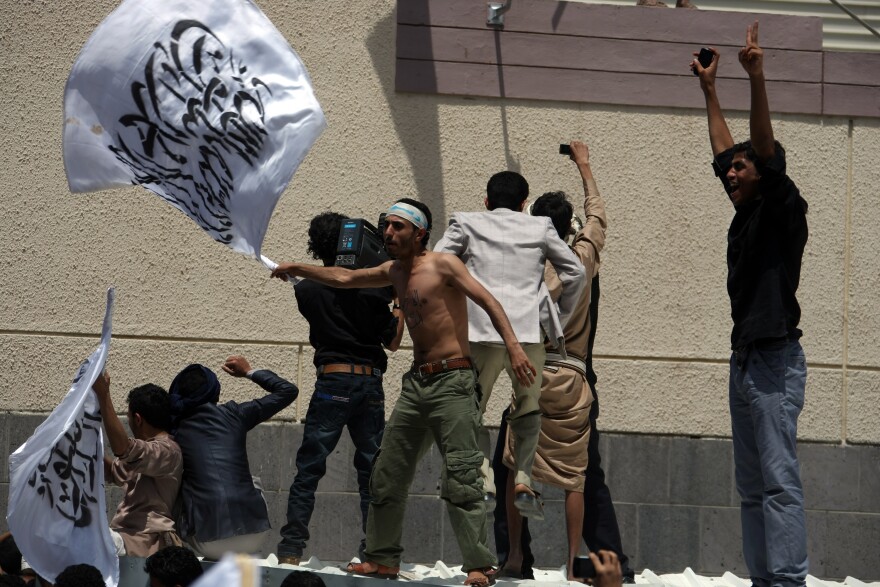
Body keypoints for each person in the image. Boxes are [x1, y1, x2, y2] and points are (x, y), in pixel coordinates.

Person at [271, 198, 536, 587]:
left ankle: (479, 566)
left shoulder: (444, 265)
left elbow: (488, 301)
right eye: (386, 226)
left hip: (454, 382)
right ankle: (382, 560)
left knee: (462, 475)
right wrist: (295, 268)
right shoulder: (392, 272)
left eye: (398, 227)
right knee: (385, 474)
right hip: (417, 385)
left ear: (420, 234)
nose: (388, 234)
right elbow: (344, 278)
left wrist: (513, 347)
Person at [693, 22, 809, 587]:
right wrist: (711, 90)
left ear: (765, 175)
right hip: (743, 363)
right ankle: (765, 580)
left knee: (779, 481)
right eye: (730, 170)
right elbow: (726, 150)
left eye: (742, 170)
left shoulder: (784, 209)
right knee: (750, 487)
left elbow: (762, 148)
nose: (731, 173)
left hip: (775, 361)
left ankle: (786, 581)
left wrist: (756, 78)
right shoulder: (745, 212)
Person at [434, 171, 585, 518]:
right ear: (523, 203)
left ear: (486, 201)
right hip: (528, 334)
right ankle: (523, 480)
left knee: (473, 411)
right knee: (528, 408)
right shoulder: (541, 227)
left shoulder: (465, 223)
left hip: (480, 334)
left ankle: (484, 483)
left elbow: (438, 266)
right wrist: (557, 318)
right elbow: (574, 273)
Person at [499, 140, 606, 579]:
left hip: (534, 372)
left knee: (515, 466)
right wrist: (584, 164)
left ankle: (516, 557)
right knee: (574, 477)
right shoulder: (581, 261)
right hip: (575, 378)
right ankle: (568, 563)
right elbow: (597, 216)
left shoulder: (527, 266)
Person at [277, 212, 404, 565]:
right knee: (371, 474)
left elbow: (327, 288)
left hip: (332, 381)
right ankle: (375, 551)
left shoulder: (305, 290)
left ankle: (290, 550)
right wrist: (398, 298)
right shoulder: (374, 290)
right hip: (368, 382)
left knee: (309, 469)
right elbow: (392, 341)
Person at [171, 356, 298, 560]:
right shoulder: (234, 414)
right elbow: (288, 390)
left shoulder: (173, 429)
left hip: (207, 541)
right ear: (215, 391)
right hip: (255, 533)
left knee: (175, 484)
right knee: (251, 480)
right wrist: (248, 371)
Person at [93, 373, 183, 556]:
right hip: (123, 538)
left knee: (83, 539)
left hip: (145, 542)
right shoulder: (144, 455)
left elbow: (124, 449)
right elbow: (113, 470)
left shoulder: (167, 451)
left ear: (138, 419)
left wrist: (104, 396)